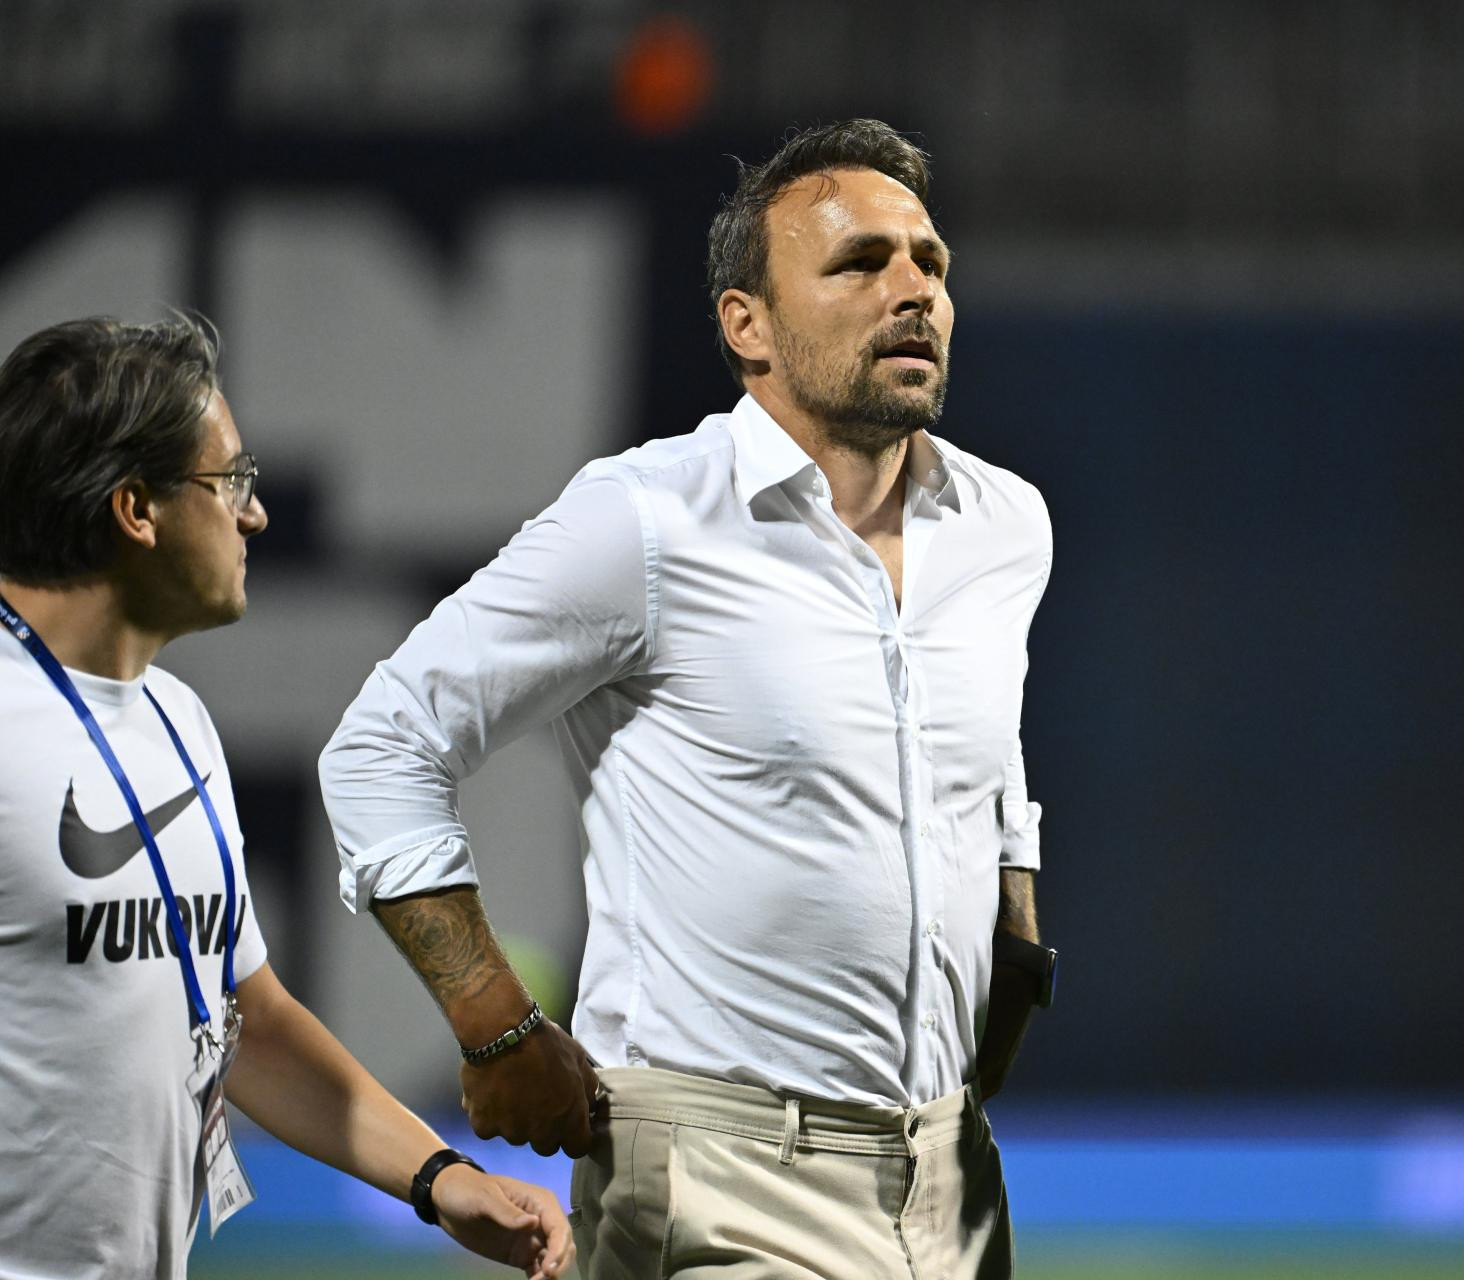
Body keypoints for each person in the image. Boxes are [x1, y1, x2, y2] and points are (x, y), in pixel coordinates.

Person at [319, 118, 1055, 1278]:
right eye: (861, 263)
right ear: (746, 325)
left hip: (953, 1172)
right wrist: (495, 1021)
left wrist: (1014, 936)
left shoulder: (1005, 524)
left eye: (931, 261)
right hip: (719, 1178)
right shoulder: (649, 519)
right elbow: (383, 742)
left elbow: (983, 753)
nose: (913, 288)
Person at [0, 315, 574, 1280]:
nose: (255, 514)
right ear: (136, 508)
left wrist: (439, 1177)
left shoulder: (178, 720)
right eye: (230, 480)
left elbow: (246, 1022)